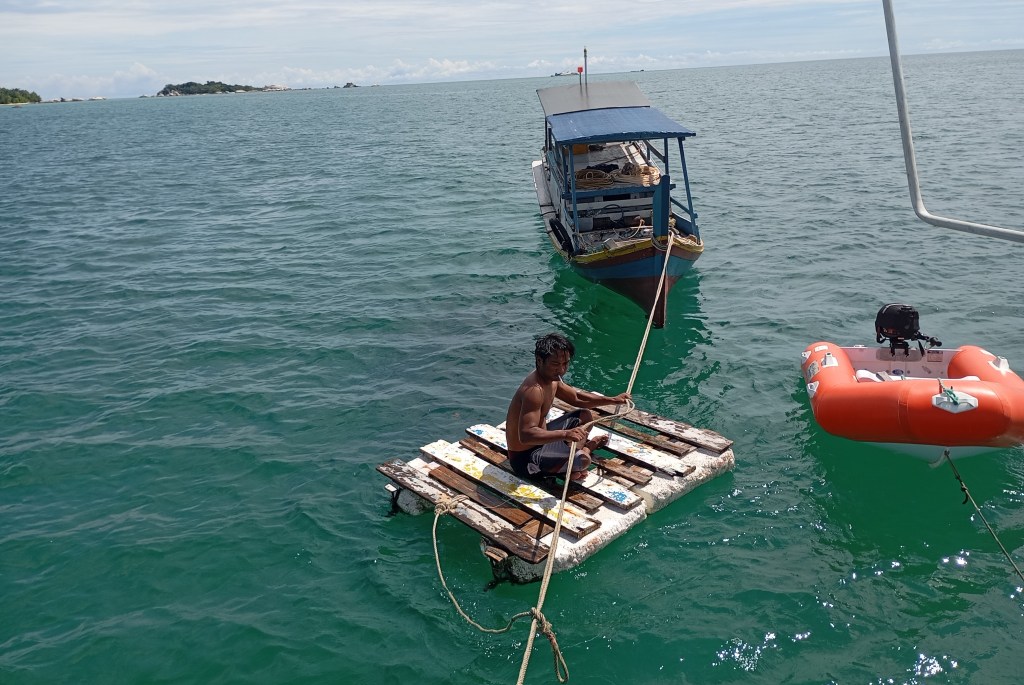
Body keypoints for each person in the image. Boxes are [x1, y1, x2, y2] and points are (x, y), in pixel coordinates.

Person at [505, 333, 630, 481]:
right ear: (540, 361)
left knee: (584, 415)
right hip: (525, 458)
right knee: (583, 460)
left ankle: (565, 462)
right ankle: (586, 449)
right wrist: (565, 434)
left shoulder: (552, 379)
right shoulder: (534, 390)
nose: (562, 370)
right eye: (556, 364)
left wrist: (613, 400)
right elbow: (526, 435)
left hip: (541, 442)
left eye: (565, 364)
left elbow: (577, 398)